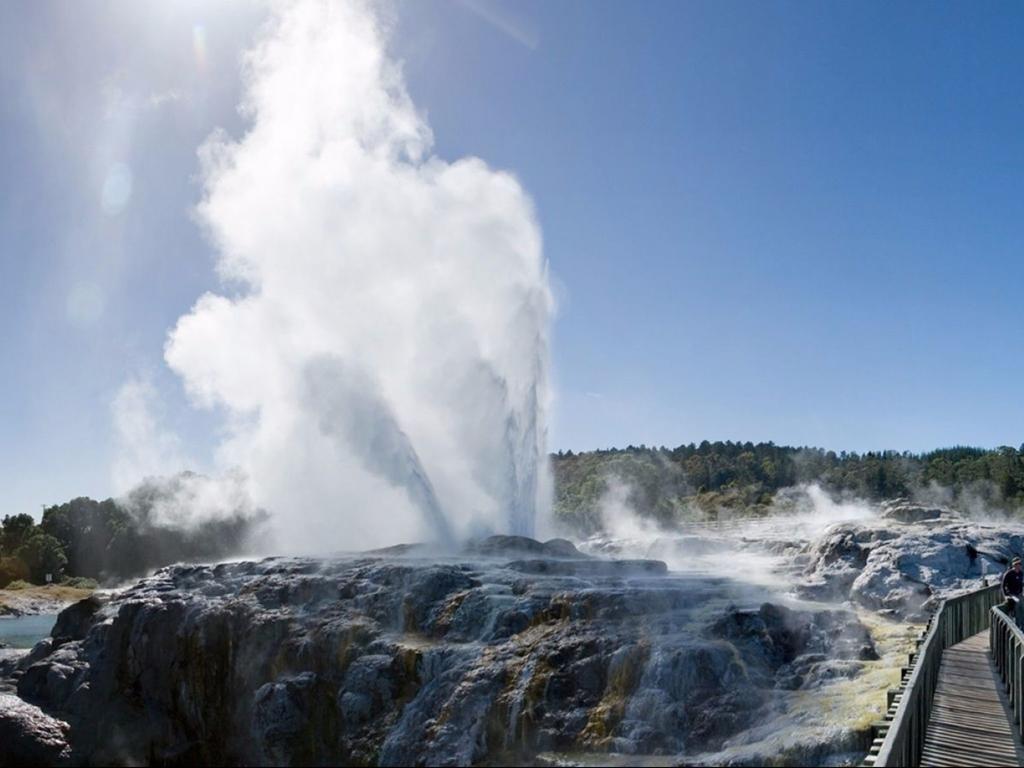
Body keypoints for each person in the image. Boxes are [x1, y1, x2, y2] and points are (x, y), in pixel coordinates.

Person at [1002, 557, 1024, 626]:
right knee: (1016, 609)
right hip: (1012, 595)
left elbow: (1021, 583)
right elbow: (1003, 585)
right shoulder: (1009, 573)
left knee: (1022, 609)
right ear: (1013, 565)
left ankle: (1021, 626)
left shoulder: (1021, 573)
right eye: (1016, 564)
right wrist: (1005, 595)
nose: (1018, 565)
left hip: (1020, 594)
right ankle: (1017, 627)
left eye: (1019, 564)